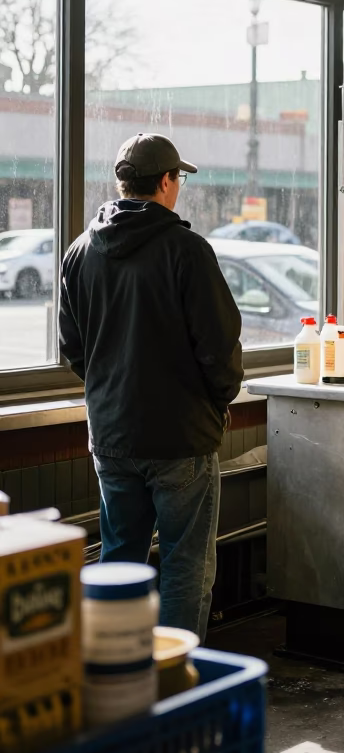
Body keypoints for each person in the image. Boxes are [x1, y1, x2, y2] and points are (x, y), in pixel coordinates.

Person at [59, 133, 243, 642]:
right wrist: (218, 401)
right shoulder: (187, 251)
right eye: (178, 177)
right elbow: (220, 347)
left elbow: (74, 348)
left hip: (112, 437)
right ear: (165, 181)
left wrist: (110, 393)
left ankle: (114, 672)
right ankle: (177, 682)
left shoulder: (79, 252)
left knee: (119, 560)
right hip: (181, 439)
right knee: (185, 567)